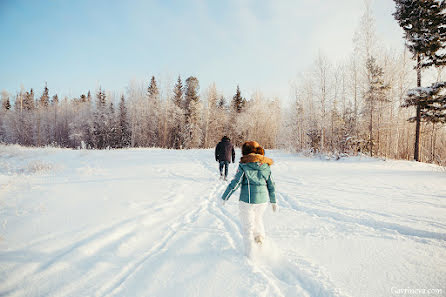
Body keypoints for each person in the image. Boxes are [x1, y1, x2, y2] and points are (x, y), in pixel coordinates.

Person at [221, 141, 277, 258]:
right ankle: (260, 239)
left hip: (247, 200)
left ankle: (250, 253)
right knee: (258, 219)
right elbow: (271, 184)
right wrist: (273, 200)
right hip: (262, 201)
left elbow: (236, 183)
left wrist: (225, 197)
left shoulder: (244, 165)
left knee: (248, 226)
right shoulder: (265, 166)